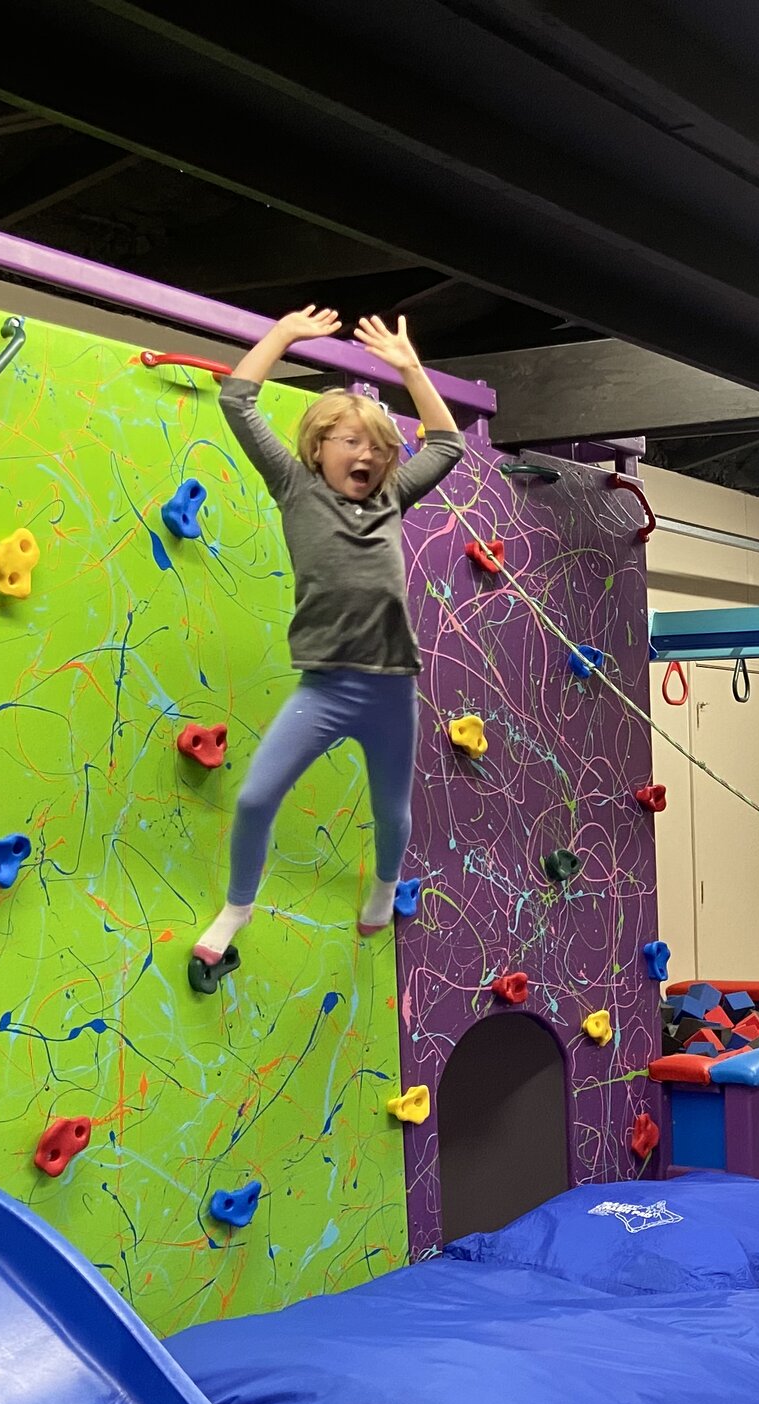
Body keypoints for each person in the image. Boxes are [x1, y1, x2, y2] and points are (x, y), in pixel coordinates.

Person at [191, 307, 464, 970]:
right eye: (348, 441)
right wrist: (282, 337)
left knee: (392, 814)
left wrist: (409, 369)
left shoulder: (392, 496)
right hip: (328, 687)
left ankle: (382, 885)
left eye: (374, 444)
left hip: (391, 688)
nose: (365, 454)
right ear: (317, 449)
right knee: (257, 796)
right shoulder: (293, 487)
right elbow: (237, 398)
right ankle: (237, 906)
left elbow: (448, 444)